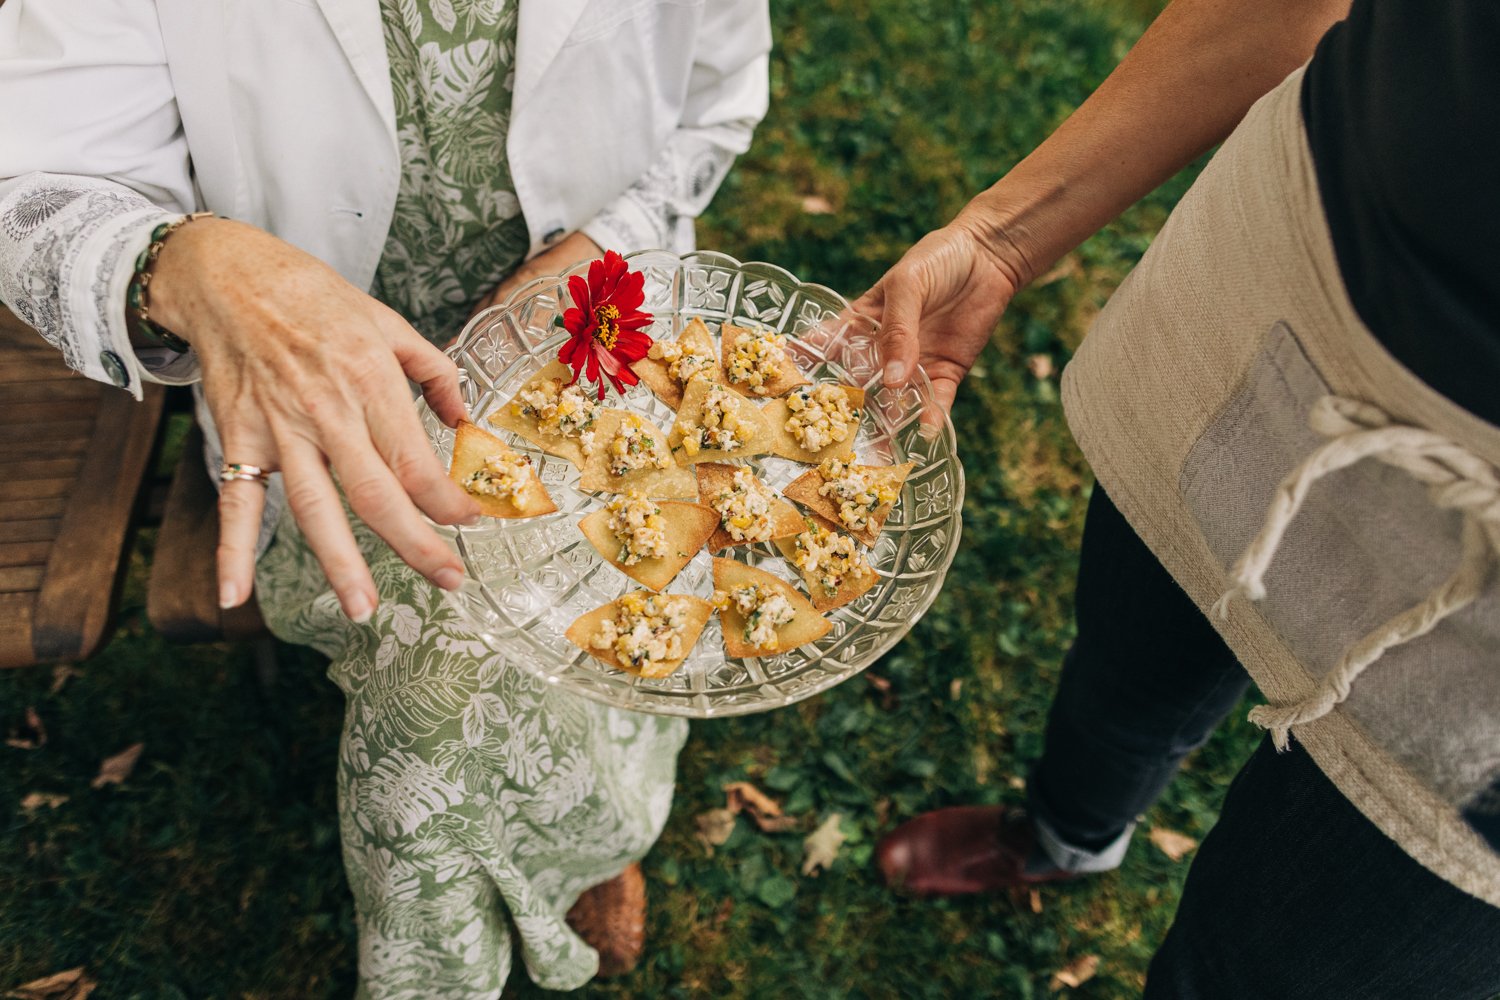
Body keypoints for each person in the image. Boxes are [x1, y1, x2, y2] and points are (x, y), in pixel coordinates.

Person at [0, 0, 769, 994]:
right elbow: (34, 177)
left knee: (628, 557)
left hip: (588, 325)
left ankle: (590, 830)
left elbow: (715, 98)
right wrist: (184, 262)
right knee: (440, 685)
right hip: (295, 388)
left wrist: (606, 244)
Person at [862, 0, 1500, 995]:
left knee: (1266, 971)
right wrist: (1001, 239)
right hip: (1288, 306)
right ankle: (1069, 832)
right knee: (1127, 667)